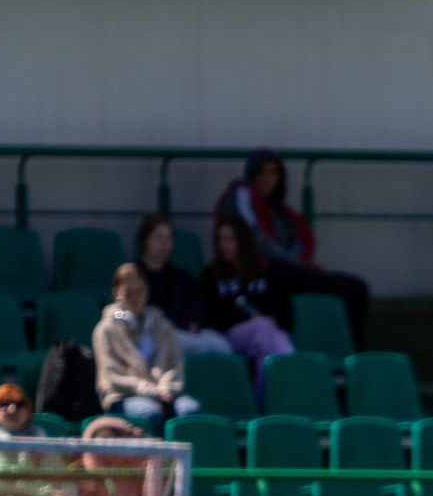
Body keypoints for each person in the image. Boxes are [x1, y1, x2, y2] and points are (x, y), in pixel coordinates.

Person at [215, 150, 368, 346]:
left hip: (285, 269)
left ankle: (354, 359)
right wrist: (297, 264)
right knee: (349, 289)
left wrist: (301, 263)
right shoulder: (241, 194)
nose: (267, 178)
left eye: (273, 173)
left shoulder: (278, 211)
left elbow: (297, 242)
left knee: (356, 288)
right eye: (262, 172)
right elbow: (255, 239)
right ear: (252, 174)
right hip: (265, 269)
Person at [93, 264, 199, 431]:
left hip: (166, 392)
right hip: (124, 396)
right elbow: (113, 376)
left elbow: (175, 363)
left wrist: (166, 388)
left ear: (147, 290)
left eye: (139, 291)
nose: (135, 298)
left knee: (190, 411)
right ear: (116, 293)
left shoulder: (163, 325)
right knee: (150, 413)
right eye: (128, 293)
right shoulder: (105, 330)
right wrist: (150, 391)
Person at [200, 218, 297, 378]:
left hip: (265, 334)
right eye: (220, 240)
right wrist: (249, 319)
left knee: (269, 345)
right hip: (229, 338)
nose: (223, 246)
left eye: (229, 239)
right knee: (264, 330)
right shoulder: (211, 275)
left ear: (242, 241)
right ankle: (287, 384)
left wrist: (273, 319)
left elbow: (286, 312)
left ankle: (264, 398)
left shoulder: (264, 272)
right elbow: (209, 317)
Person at [132, 212, 232, 355]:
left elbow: (196, 303)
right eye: (158, 237)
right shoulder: (134, 276)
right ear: (144, 240)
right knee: (199, 347)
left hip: (187, 331)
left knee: (221, 345)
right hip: (155, 335)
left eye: (168, 238)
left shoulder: (181, 276)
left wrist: (192, 322)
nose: (164, 243)